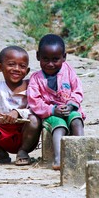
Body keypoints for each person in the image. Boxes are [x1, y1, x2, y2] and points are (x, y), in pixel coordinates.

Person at [0, 46, 41, 166]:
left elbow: (36, 109)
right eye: (11, 64)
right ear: (0, 67)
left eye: (22, 66)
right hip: (3, 133)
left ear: (28, 70)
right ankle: (0, 154)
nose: (16, 69)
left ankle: (23, 152)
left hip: (26, 135)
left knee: (35, 120)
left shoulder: (31, 86)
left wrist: (18, 112)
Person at [27, 34, 85, 170]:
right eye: (45, 59)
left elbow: (78, 90)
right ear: (38, 56)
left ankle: (81, 153)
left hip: (70, 109)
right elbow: (34, 102)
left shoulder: (68, 71)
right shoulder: (36, 79)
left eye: (55, 59)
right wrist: (52, 110)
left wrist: (71, 105)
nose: (50, 64)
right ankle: (59, 158)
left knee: (76, 120)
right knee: (59, 126)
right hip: (50, 114)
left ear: (64, 57)